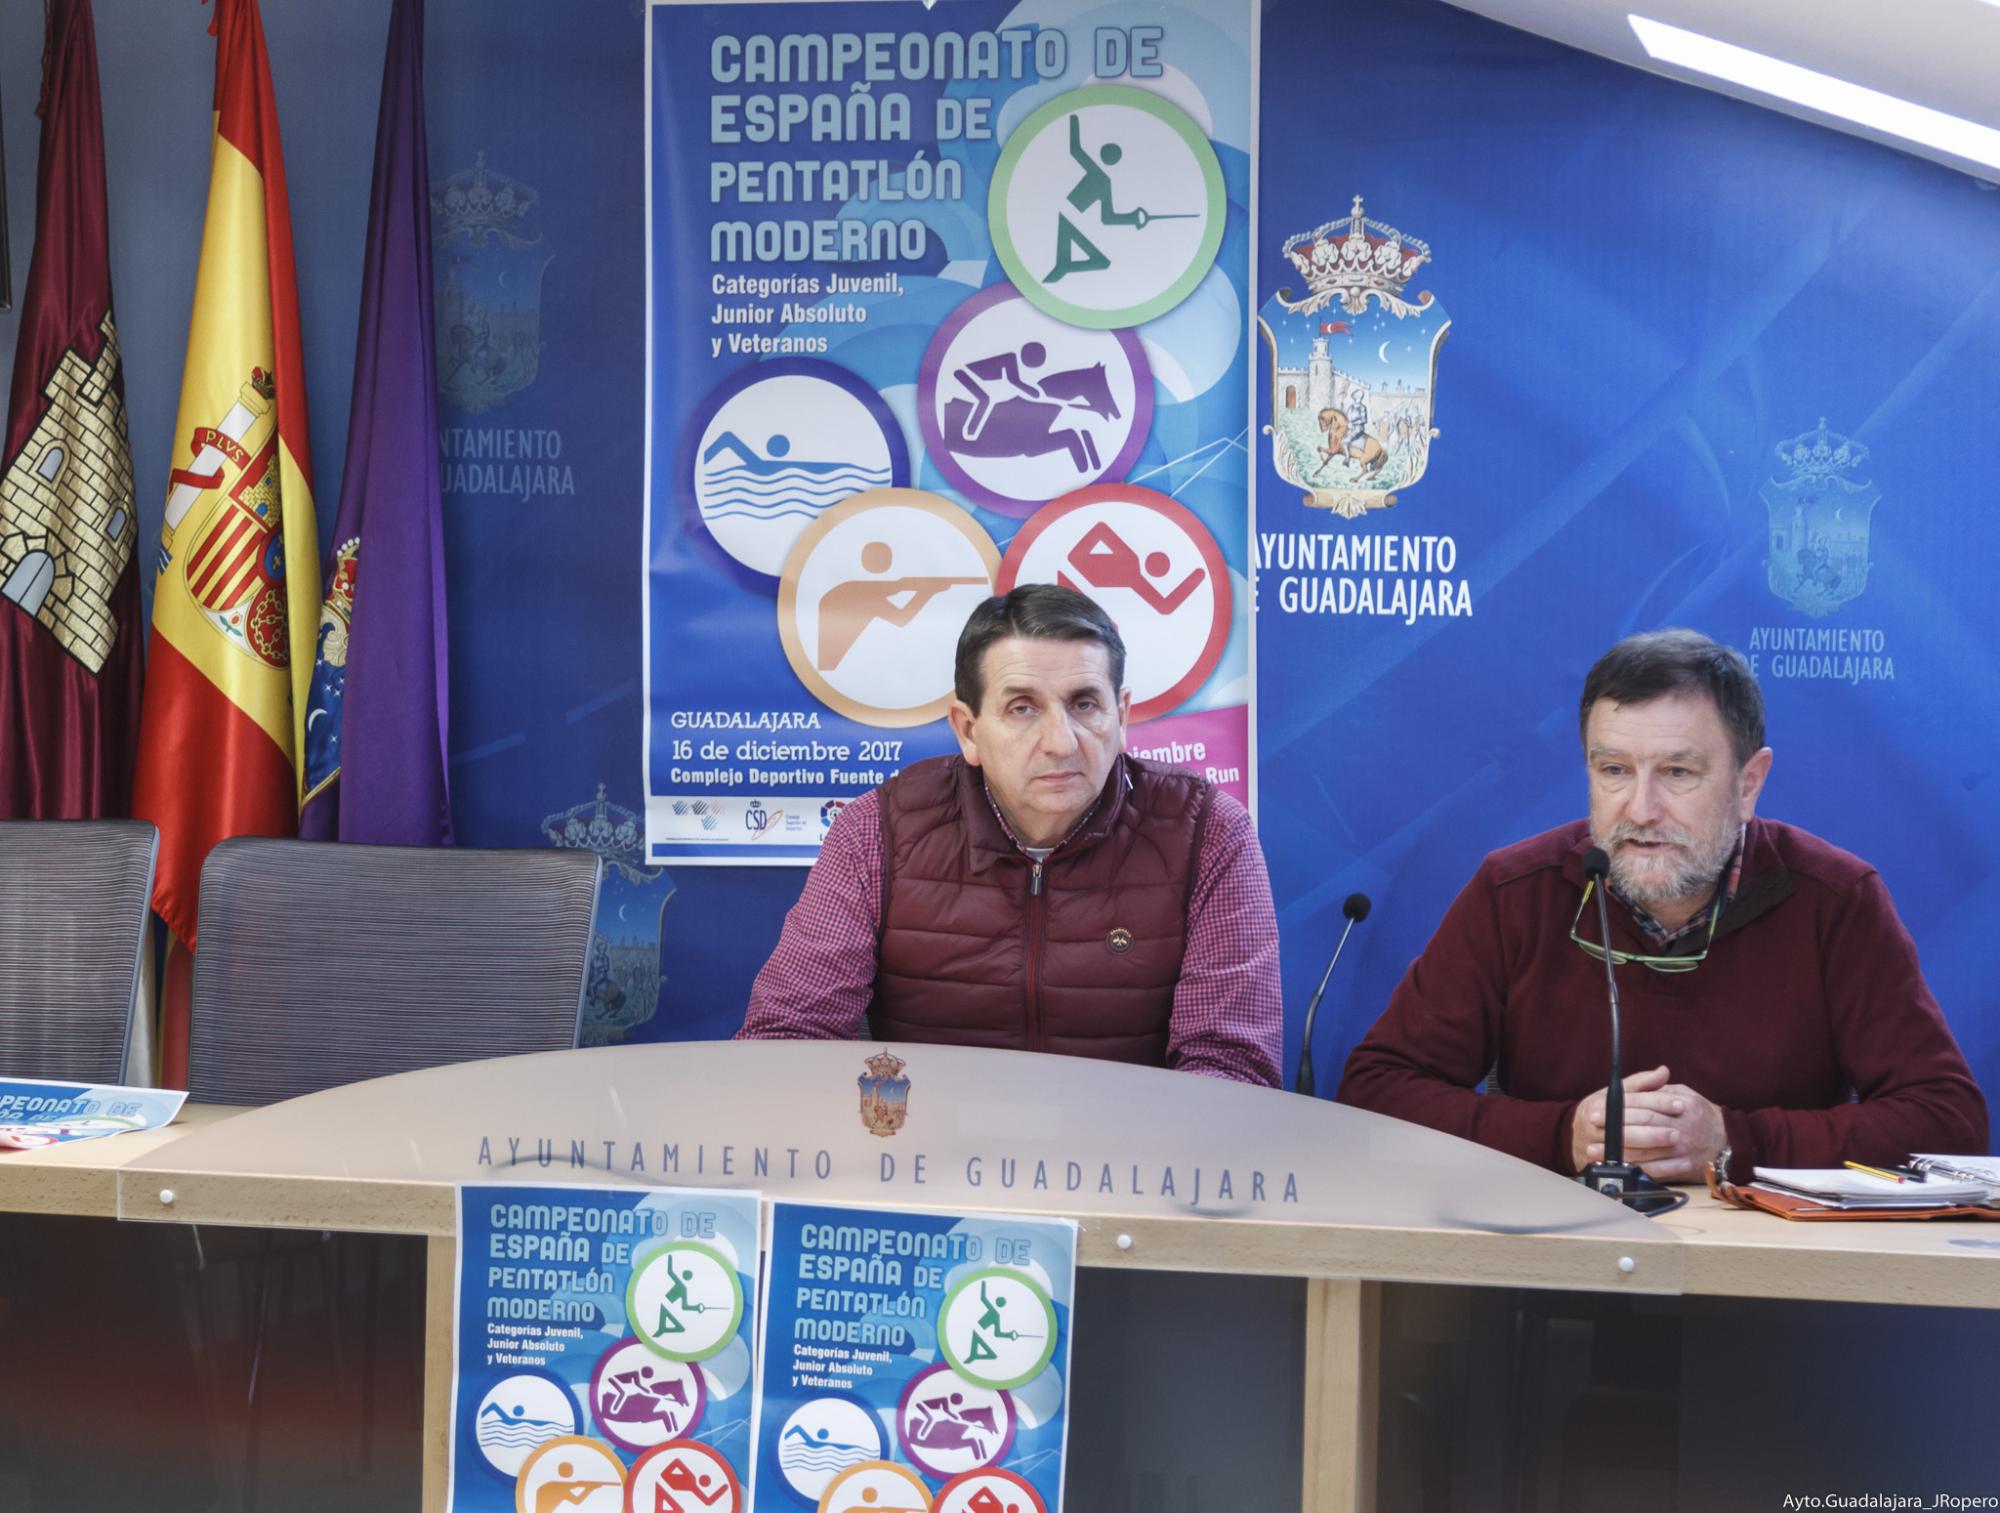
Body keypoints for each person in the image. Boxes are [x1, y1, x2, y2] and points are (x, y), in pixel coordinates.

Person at [1336, 629, 1986, 1182]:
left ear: (1749, 783)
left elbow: (1949, 1122)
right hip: (1554, 1267)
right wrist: (1563, 1136)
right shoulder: (1516, 891)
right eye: (1614, 770)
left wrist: (1732, 1141)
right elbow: (1374, 1093)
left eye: (1677, 772)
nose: (1641, 809)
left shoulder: (1835, 900)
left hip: (1772, 1276)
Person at [738, 583, 1281, 1085]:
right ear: (968, 731)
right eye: (1022, 708)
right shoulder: (877, 832)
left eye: (1085, 704)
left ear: (1121, 717)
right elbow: (787, 1040)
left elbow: (1231, 1070)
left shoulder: (1207, 832)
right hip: (924, 1146)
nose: (1061, 742)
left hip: (1135, 1152)